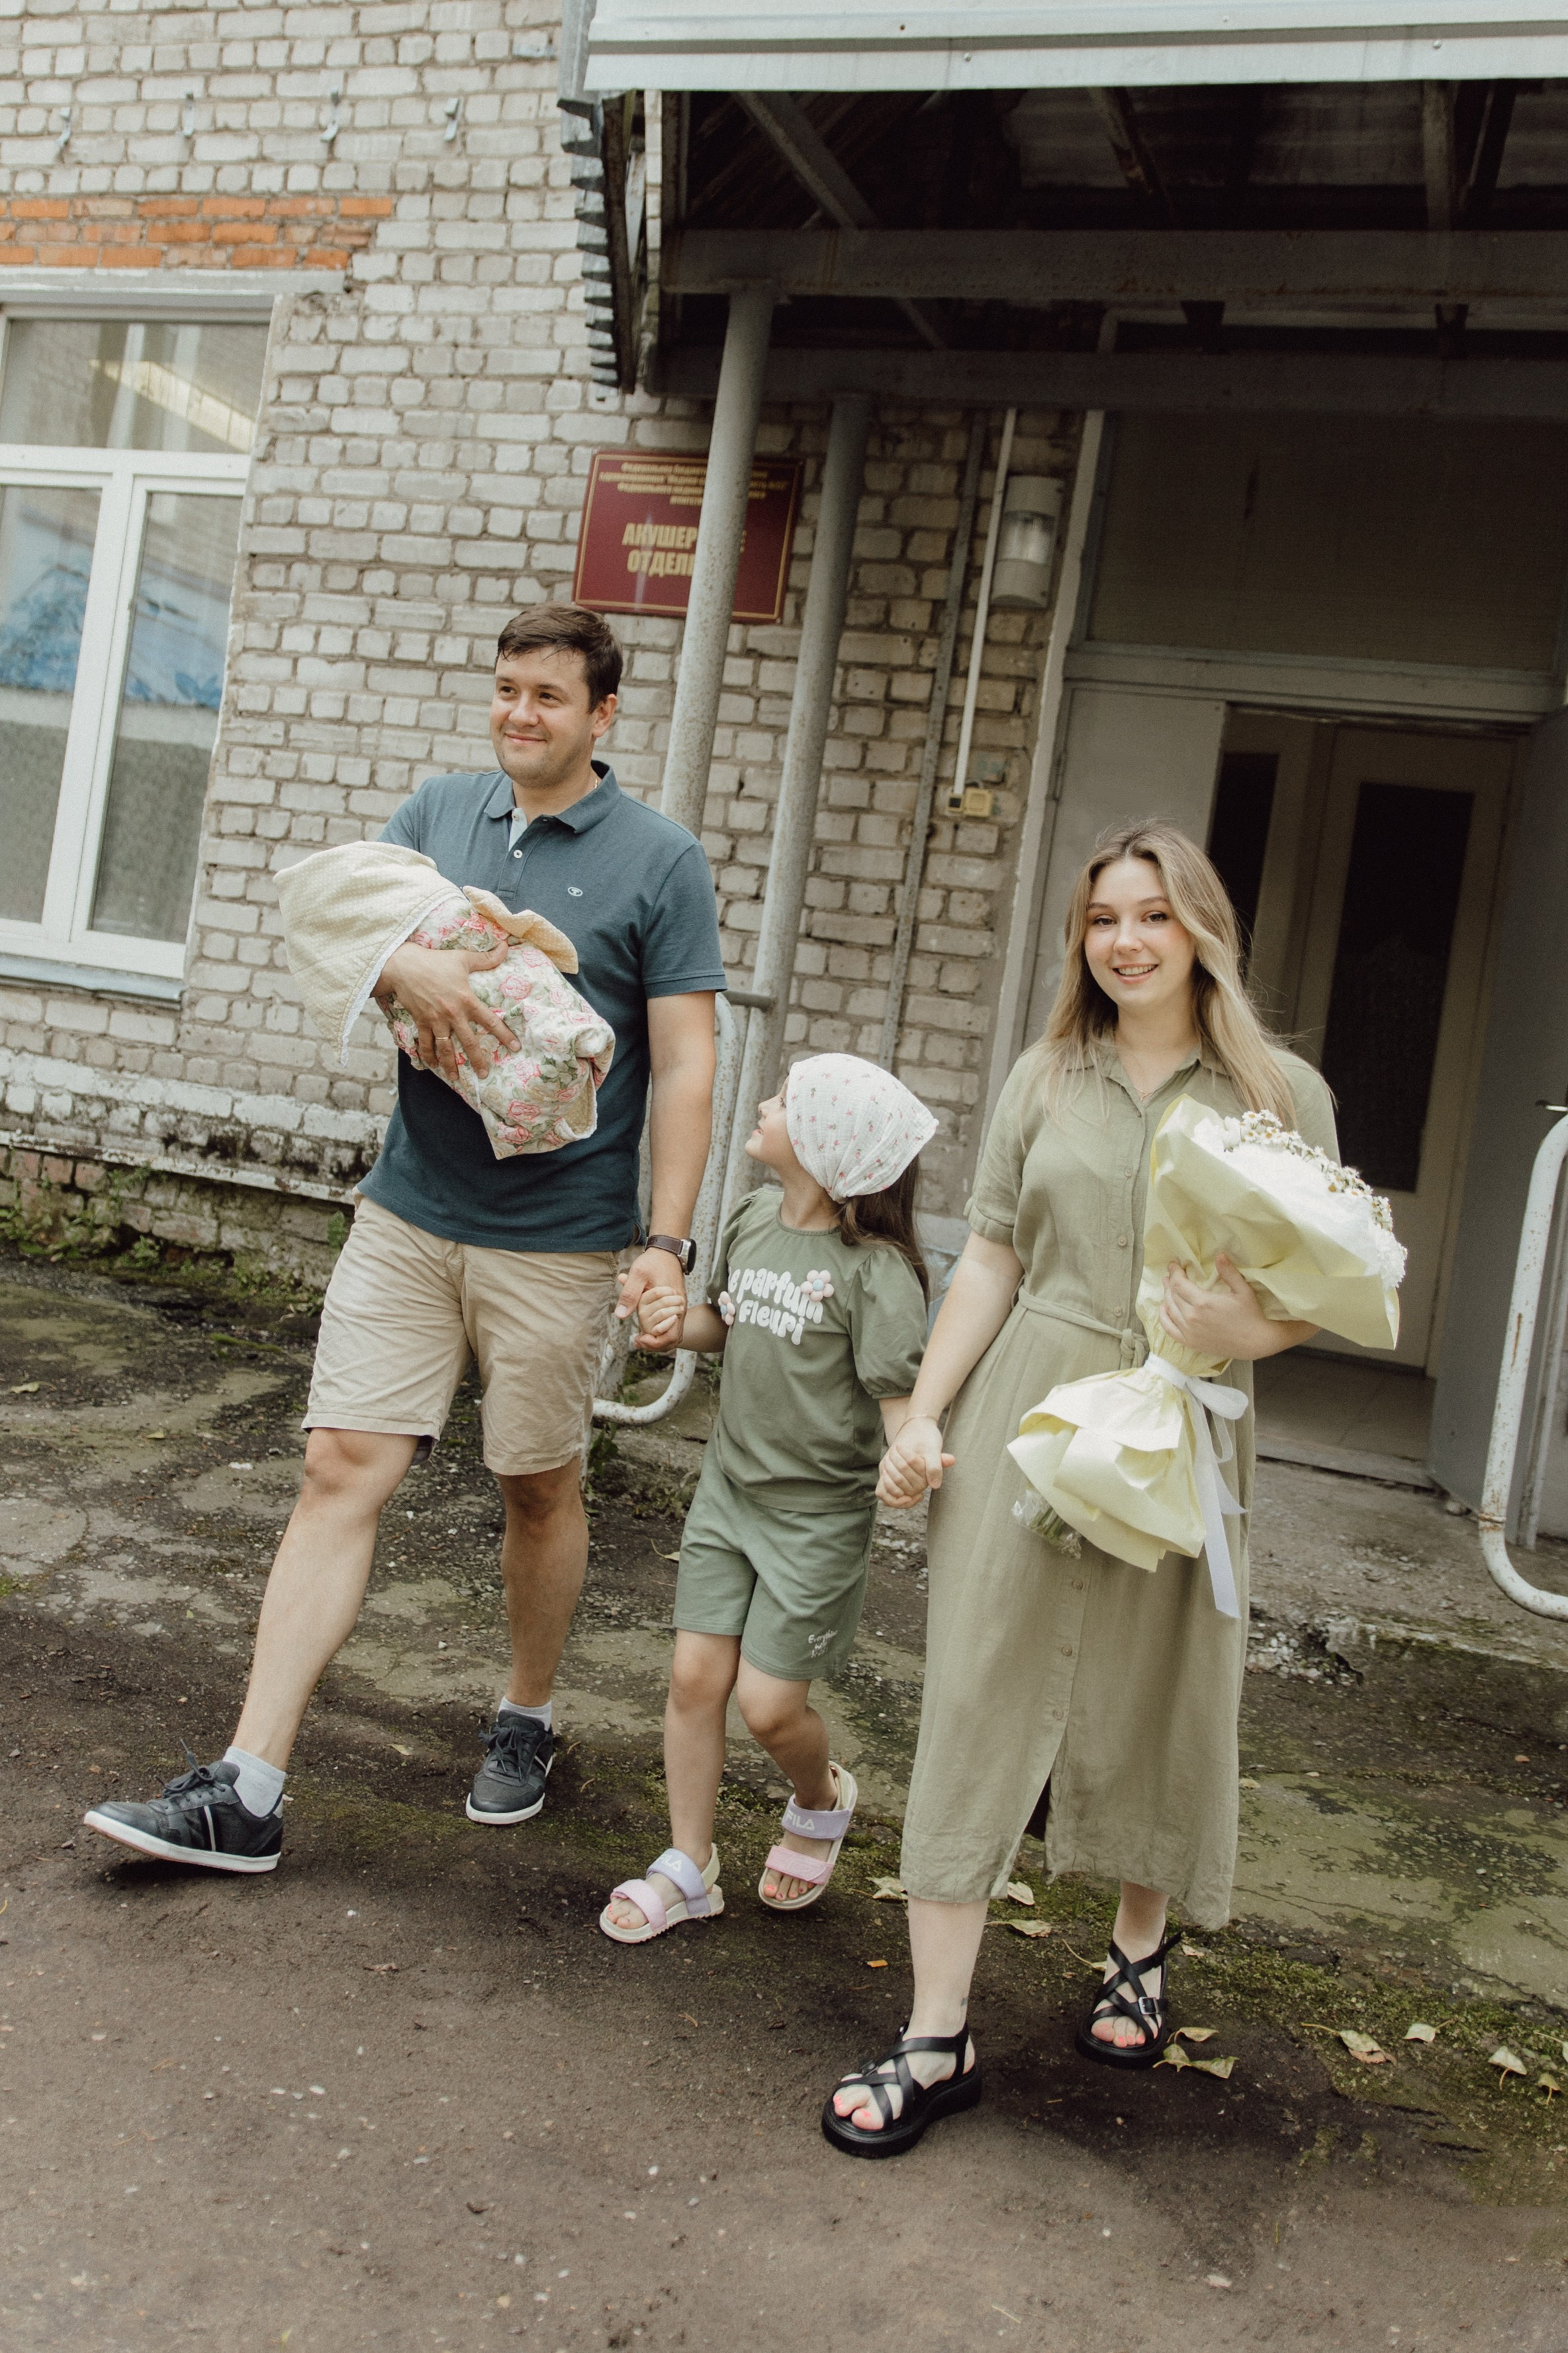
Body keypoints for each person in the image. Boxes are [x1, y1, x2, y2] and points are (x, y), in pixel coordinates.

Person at [85, 603, 727, 1875]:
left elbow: (689, 1060)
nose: (518, 714)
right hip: (409, 1209)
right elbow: (345, 928)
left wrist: (666, 1239)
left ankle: (526, 1712)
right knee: (339, 1465)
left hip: (557, 1236)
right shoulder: (438, 812)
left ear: (602, 713)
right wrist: (400, 974)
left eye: (548, 695)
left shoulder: (661, 859)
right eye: (506, 688)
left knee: (536, 1484)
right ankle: (248, 1785)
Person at [820, 821, 1339, 2157]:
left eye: (1153, 914)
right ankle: (937, 2032)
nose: (1126, 940)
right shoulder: (1045, 1075)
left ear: (1202, 929)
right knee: (979, 1689)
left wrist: (1245, 1331)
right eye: (1103, 918)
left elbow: (1324, 1285)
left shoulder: (1280, 1092)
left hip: (1184, 1413)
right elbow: (992, 1256)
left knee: (1157, 1687)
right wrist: (923, 1413)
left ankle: (1138, 1948)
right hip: (1033, 1408)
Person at [596, 1054, 935, 1944]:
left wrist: (911, 1458)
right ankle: (688, 1863)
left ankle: (819, 1799)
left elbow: (901, 1407)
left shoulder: (876, 1274)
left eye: (785, 1102)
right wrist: (674, 1327)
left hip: (815, 1522)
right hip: (728, 1494)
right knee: (692, 1678)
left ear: (828, 1146)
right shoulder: (751, 1217)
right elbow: (726, 1320)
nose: (763, 1104)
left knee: (769, 1708)